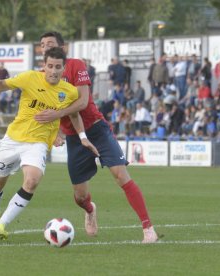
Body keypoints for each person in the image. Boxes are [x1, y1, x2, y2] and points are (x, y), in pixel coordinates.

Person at [34, 31, 158, 243]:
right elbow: (45, 110)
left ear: (63, 48)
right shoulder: (39, 77)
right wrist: (55, 132)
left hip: (97, 129)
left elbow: (82, 103)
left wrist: (57, 115)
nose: (46, 47)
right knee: (80, 197)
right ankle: (90, 210)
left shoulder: (76, 65)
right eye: (43, 45)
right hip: (74, 139)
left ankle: (148, 228)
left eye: (50, 44)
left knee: (120, 175)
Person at [0, 47, 99, 240]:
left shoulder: (69, 91)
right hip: (13, 139)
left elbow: (74, 115)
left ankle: (2, 225)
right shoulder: (29, 78)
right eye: (50, 66)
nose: (53, 70)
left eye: (57, 67)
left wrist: (83, 136)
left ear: (63, 68)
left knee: (32, 180)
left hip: (38, 144)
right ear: (44, 65)